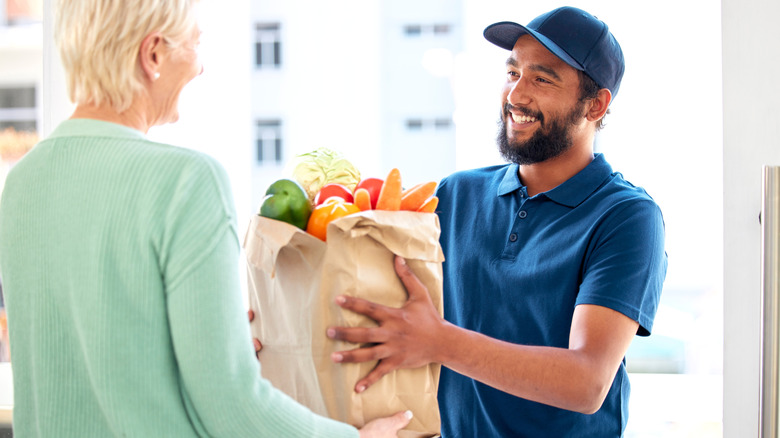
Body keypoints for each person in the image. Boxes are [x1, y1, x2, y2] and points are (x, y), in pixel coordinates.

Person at [0, 0, 412, 436]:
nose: (200, 68)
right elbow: (233, 408)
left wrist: (211, 347)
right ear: (153, 54)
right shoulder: (187, 181)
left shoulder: (24, 181)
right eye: (195, 44)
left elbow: (91, 368)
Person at [326, 6, 667, 437]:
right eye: (512, 73)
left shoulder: (626, 217)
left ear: (596, 105)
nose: (516, 95)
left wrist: (439, 342)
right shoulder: (454, 195)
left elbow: (588, 381)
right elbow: (387, 313)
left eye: (542, 79)